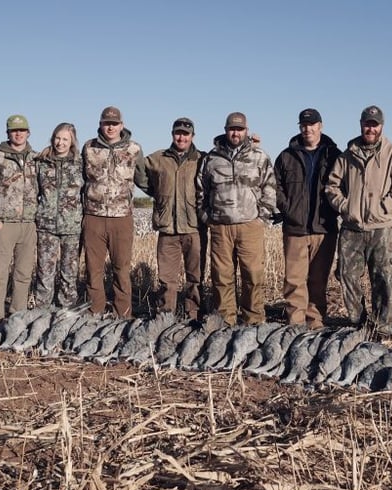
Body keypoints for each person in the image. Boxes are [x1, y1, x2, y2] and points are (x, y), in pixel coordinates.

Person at [325, 105, 392, 337]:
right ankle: (358, 322)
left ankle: (382, 326)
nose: (370, 128)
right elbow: (332, 186)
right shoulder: (347, 156)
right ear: (361, 124)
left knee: (383, 278)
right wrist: (346, 207)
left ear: (381, 126)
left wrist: (383, 207)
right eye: (367, 124)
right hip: (352, 228)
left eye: (374, 124)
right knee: (347, 275)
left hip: (383, 228)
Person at [197, 112, 277, 326]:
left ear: (246, 131)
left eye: (239, 129)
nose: (235, 132)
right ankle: (226, 321)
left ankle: (254, 321)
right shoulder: (211, 159)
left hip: (250, 225)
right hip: (220, 227)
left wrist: (262, 217)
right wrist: (206, 217)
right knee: (222, 277)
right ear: (225, 130)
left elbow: (270, 187)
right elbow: (200, 190)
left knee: (253, 275)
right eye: (232, 129)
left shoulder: (259, 156)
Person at [274, 108, 341, 329]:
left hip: (324, 227)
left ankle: (316, 322)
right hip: (295, 228)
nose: (307, 129)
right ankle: (295, 323)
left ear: (320, 126)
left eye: (312, 124)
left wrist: (334, 210)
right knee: (294, 280)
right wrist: (288, 209)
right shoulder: (286, 156)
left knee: (318, 279)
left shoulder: (334, 155)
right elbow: (276, 186)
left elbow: (345, 186)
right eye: (303, 125)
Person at [81, 106, 147, 317]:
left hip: (122, 218)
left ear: (122, 125)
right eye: (106, 123)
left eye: (114, 123)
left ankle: (122, 315)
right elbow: (80, 179)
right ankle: (95, 312)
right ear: (100, 124)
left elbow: (144, 179)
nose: (110, 127)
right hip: (94, 217)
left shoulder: (134, 149)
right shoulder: (88, 147)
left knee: (122, 269)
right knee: (94, 269)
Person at [137, 117, 205, 320]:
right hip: (167, 229)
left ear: (192, 136)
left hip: (194, 227)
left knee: (196, 277)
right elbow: (139, 171)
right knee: (167, 278)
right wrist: (156, 192)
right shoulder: (159, 158)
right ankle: (166, 315)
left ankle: (193, 314)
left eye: (185, 133)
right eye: (178, 133)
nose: (181, 137)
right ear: (172, 134)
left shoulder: (202, 159)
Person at [0, 114, 38, 327]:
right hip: (5, 224)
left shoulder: (36, 158)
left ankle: (17, 320)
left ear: (28, 132)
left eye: (22, 130)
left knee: (23, 275)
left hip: (29, 224)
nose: (18, 133)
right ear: (8, 133)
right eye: (14, 130)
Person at [34, 122, 84, 308]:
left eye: (65, 139)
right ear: (52, 138)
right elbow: (33, 193)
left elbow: (87, 192)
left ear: (72, 141)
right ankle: (42, 315)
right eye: (58, 138)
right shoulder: (41, 162)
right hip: (46, 228)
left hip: (72, 228)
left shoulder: (80, 164)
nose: (60, 143)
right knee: (44, 273)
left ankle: (66, 315)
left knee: (69, 275)